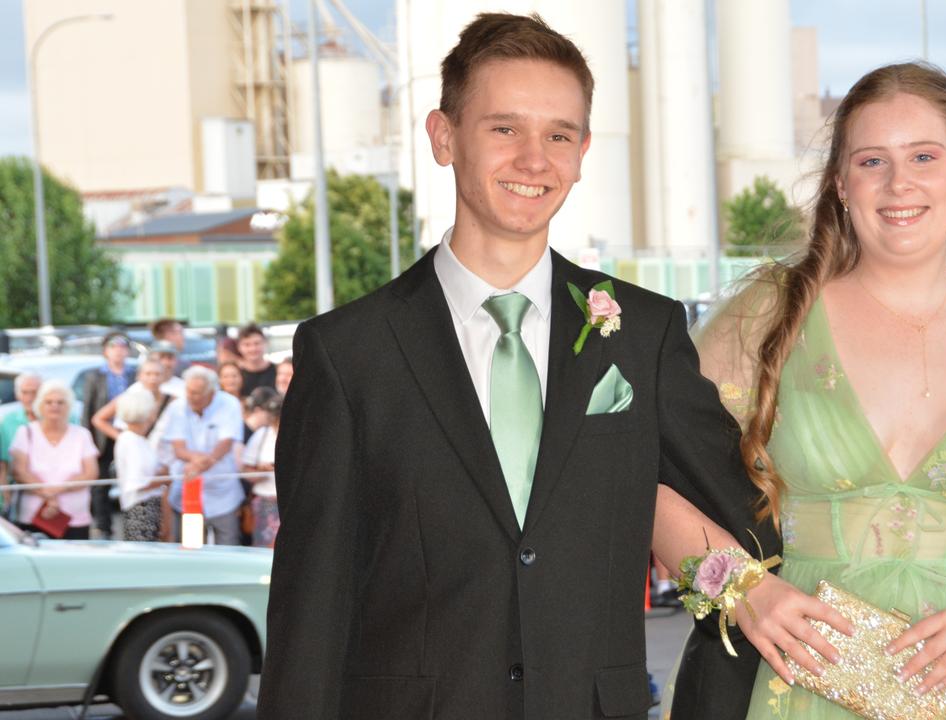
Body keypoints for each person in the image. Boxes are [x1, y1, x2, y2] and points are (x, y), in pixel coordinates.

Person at [256, 13, 834, 720]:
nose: (535, 160)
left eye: (559, 135)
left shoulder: (642, 334)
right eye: (505, 129)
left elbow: (746, 517)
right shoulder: (348, 354)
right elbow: (311, 608)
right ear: (444, 138)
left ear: (584, 151)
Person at [667, 62, 946, 719]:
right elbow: (655, 480)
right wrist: (744, 595)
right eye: (872, 160)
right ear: (842, 184)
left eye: (924, 156)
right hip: (809, 683)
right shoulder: (768, 317)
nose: (899, 183)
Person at [8, 380, 99, 539]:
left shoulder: (82, 434)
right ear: (40, 405)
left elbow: (91, 473)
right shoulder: (26, 432)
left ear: (69, 406)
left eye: (60, 402)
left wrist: (54, 492)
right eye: (49, 402)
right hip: (33, 515)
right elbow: (19, 471)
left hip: (75, 518)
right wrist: (49, 496)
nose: (54, 406)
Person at [165, 366, 244, 546]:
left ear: (211, 392)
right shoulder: (177, 406)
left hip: (222, 492)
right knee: (191, 548)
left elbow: (226, 442)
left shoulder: (229, 403)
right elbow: (178, 448)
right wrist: (197, 460)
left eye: (197, 393)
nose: (192, 397)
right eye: (189, 391)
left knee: (228, 546)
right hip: (188, 491)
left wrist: (202, 463)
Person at [82, 331, 136, 537]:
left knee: (131, 478)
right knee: (100, 480)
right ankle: (103, 524)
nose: (119, 351)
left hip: (129, 433)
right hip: (103, 434)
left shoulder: (134, 373)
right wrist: (89, 439)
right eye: (114, 347)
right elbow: (89, 409)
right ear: (106, 351)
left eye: (123, 347)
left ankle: (131, 520)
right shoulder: (95, 376)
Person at [113, 389, 168, 541]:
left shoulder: (140, 440)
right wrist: (165, 478)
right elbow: (137, 482)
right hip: (140, 507)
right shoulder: (129, 440)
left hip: (151, 505)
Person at [241, 388, 282, 547]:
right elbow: (246, 470)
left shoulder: (300, 436)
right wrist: (261, 470)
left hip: (286, 501)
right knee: (262, 547)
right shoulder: (262, 434)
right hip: (264, 501)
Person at [0, 373, 42, 518]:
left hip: (55, 492)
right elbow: (3, 466)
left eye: (34, 392)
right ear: (18, 394)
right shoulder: (8, 421)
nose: (30, 398)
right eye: (25, 392)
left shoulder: (59, 417)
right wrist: (7, 499)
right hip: (21, 493)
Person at [235, 324, 276, 397]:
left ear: (265, 344)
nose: (253, 349)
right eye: (247, 345)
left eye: (257, 343)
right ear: (239, 347)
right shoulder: (234, 374)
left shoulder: (278, 372)